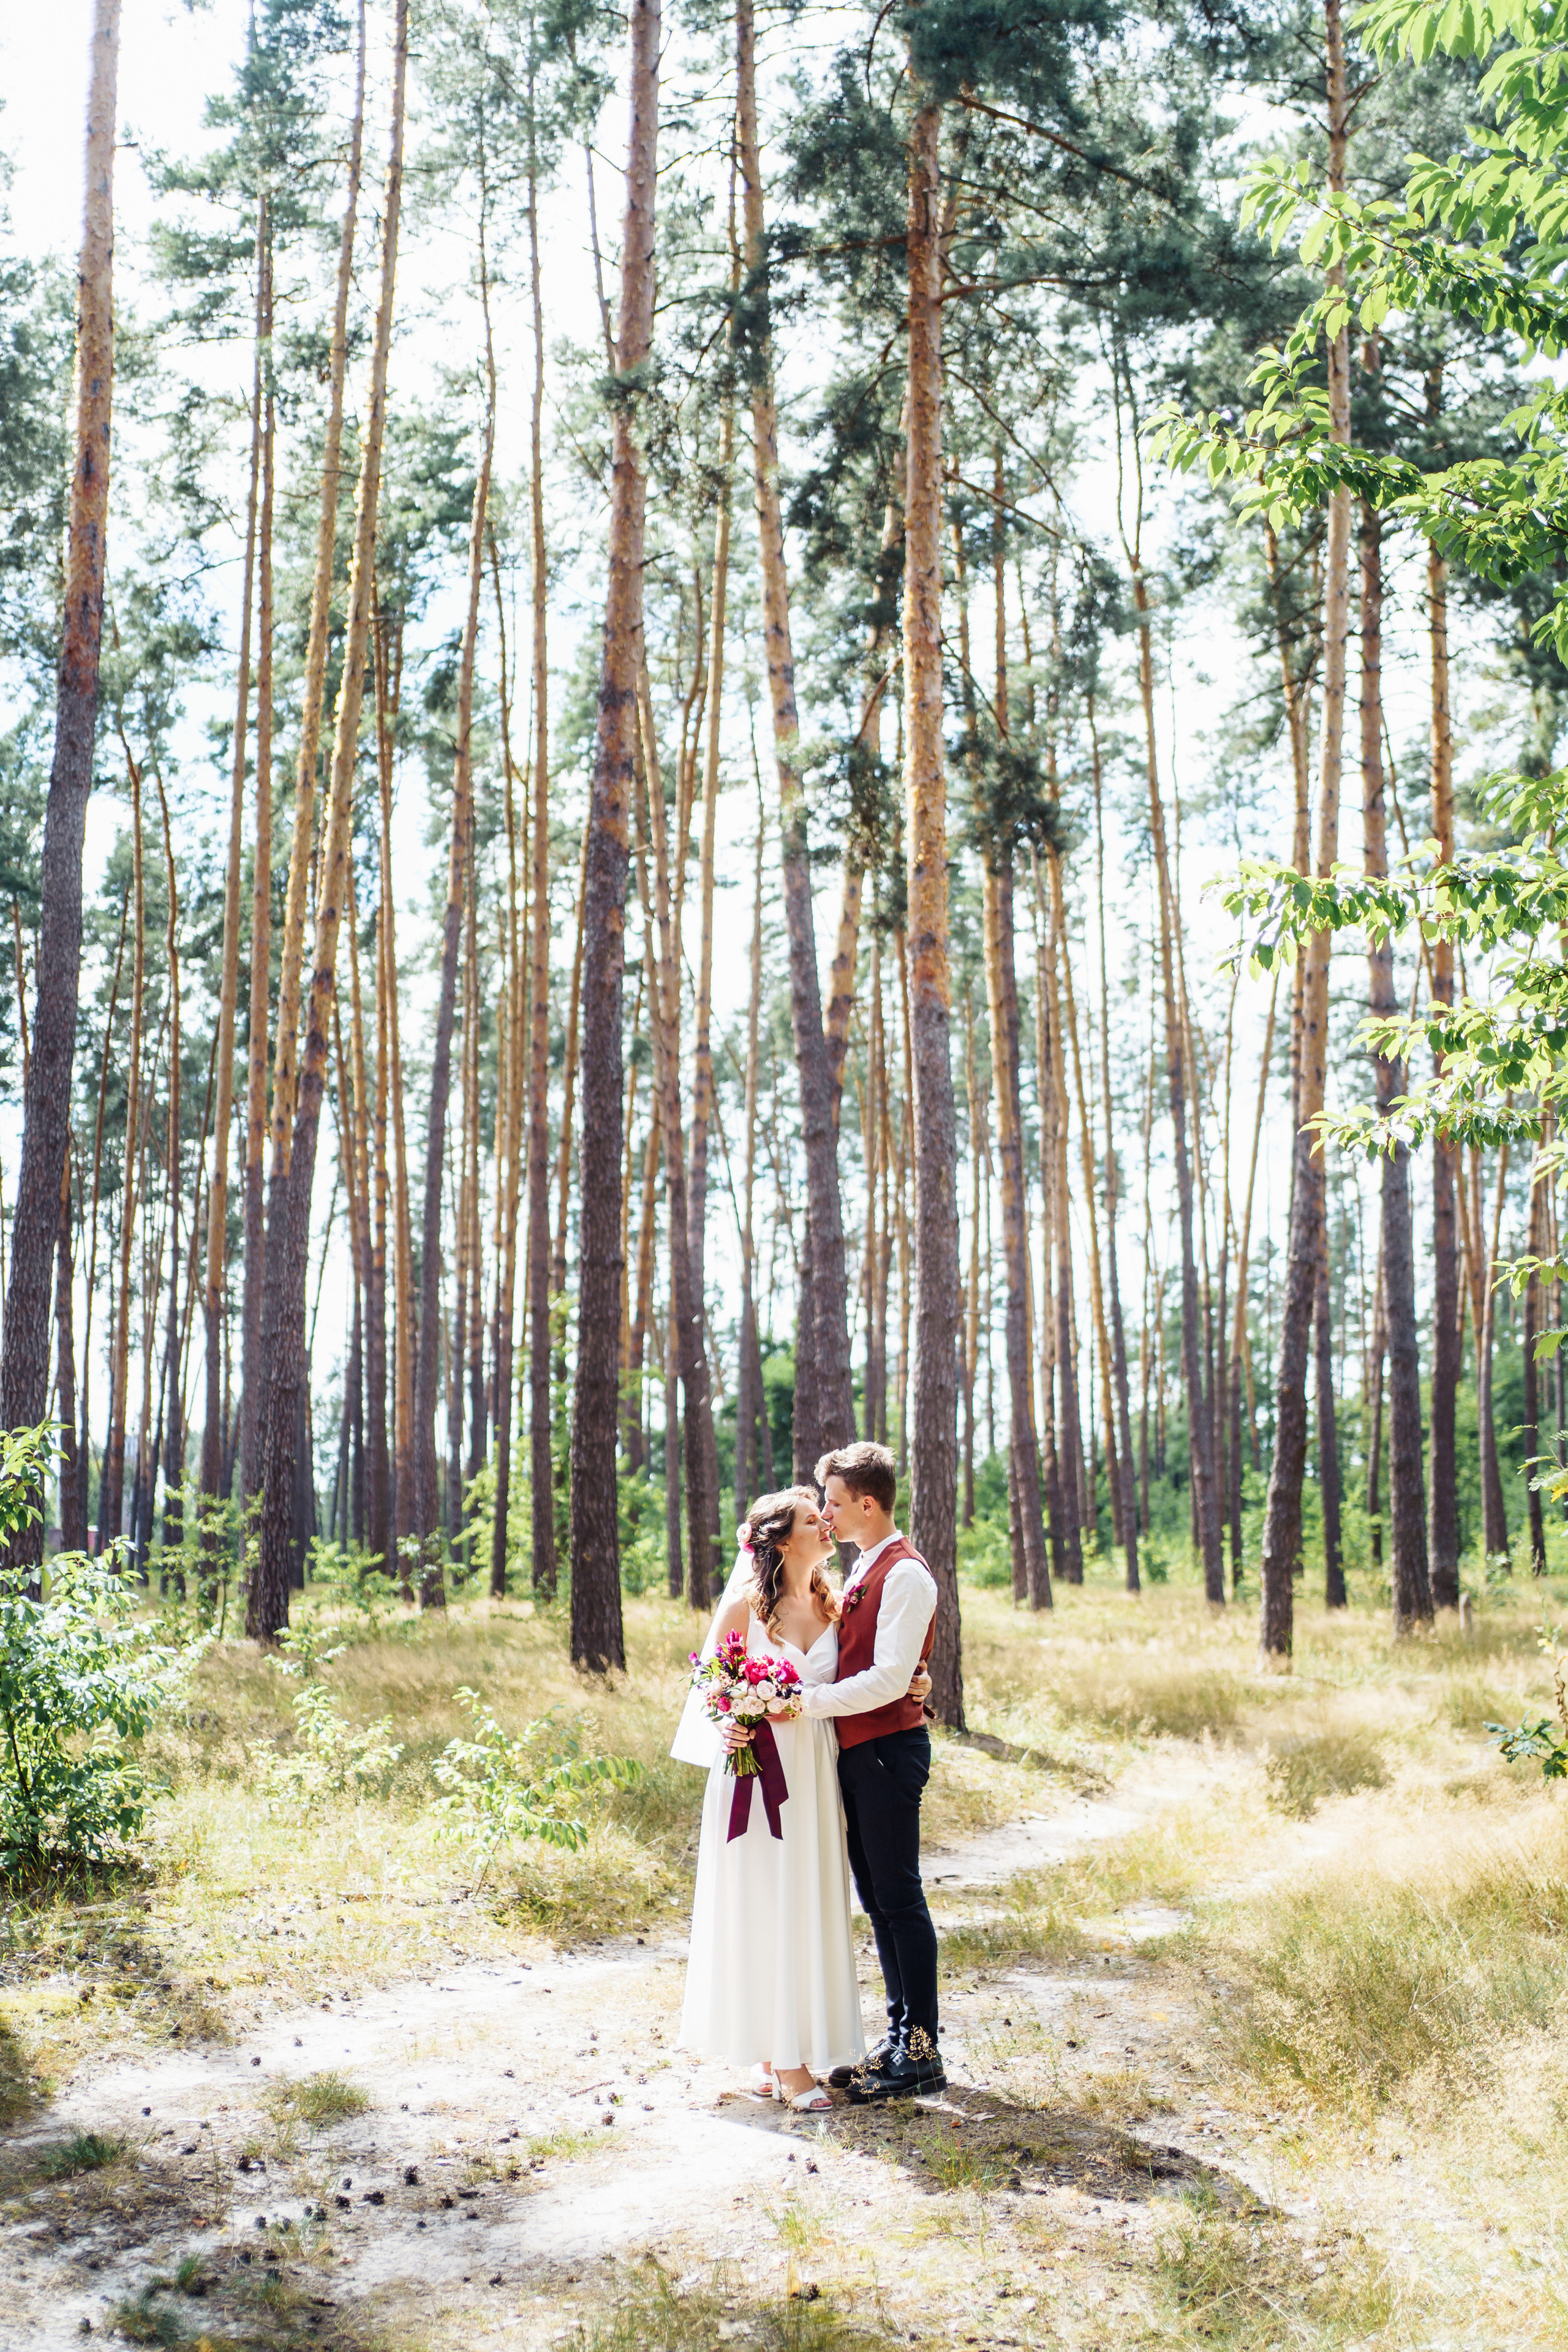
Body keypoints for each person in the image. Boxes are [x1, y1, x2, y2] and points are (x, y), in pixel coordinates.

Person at [671, 1485, 930, 2109]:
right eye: (815, 1519)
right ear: (784, 1540)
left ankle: (783, 2045)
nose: (826, 1525)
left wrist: (917, 1682)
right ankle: (784, 2063)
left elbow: (872, 1670)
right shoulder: (744, 1607)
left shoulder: (831, 1603)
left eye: (827, 1513)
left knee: (802, 1902)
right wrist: (728, 1722)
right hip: (756, 1771)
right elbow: (708, 1684)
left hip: (814, 1768)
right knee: (763, 1900)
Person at [800, 1441, 944, 2103]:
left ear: (866, 1502)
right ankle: (898, 2043)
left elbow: (890, 1680)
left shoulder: (906, 1574)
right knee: (880, 1903)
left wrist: (805, 1704)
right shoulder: (864, 1567)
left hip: (887, 1750)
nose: (824, 1513)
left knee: (900, 1900)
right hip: (861, 1752)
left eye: (831, 1502)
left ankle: (920, 2052)